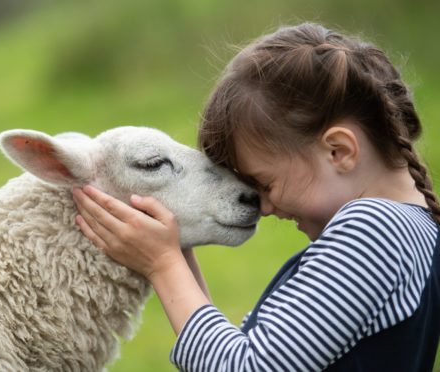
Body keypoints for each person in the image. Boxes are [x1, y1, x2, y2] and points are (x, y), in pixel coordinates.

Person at [72, 22, 440, 371]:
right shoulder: (415, 231)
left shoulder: (374, 231)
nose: (264, 206)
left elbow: (244, 367)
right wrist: (177, 252)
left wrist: (163, 266)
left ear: (339, 151)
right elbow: (242, 352)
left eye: (265, 183)